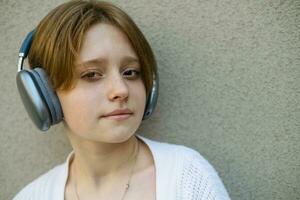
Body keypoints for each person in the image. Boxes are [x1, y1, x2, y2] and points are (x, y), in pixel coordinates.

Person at [14, 0, 230, 199]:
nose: (121, 90)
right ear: (45, 95)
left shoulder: (187, 177)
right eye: (91, 74)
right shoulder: (31, 196)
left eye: (131, 72)